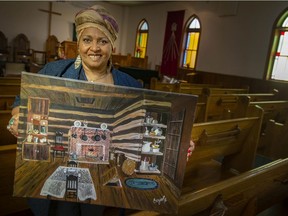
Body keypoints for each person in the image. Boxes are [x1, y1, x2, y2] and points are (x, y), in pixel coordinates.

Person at [7, 4, 194, 216]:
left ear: (112, 46)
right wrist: (18, 120)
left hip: (103, 179)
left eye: (102, 41)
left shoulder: (129, 84)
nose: (94, 48)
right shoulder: (54, 72)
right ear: (79, 43)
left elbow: (150, 125)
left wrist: (179, 143)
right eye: (87, 40)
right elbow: (20, 104)